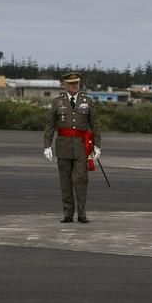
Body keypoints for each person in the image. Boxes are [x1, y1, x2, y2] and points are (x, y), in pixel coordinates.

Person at [43, 72, 102, 223]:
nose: (74, 86)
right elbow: (50, 125)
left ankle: (82, 213)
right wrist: (47, 146)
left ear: (79, 84)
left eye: (76, 83)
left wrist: (97, 146)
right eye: (70, 84)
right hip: (63, 146)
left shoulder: (87, 101)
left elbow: (95, 125)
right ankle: (68, 213)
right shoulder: (57, 102)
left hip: (82, 147)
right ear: (64, 85)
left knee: (81, 180)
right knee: (65, 182)